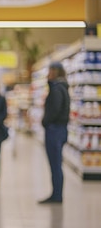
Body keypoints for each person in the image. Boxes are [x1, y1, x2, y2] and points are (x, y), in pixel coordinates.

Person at [39, 62, 70, 204]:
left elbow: (55, 110)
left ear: (55, 72)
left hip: (55, 130)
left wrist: (46, 121)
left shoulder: (57, 89)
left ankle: (57, 195)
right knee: (56, 163)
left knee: (55, 164)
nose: (48, 74)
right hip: (59, 129)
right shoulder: (61, 87)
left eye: (50, 71)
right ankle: (56, 193)